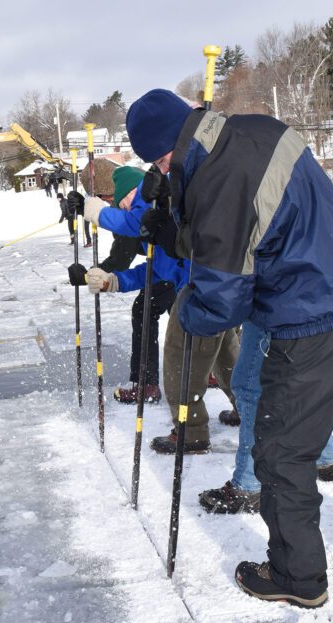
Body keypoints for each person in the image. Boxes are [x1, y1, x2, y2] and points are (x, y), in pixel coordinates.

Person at [127, 88, 333, 608]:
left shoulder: (215, 182)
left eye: (158, 163)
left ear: (163, 153)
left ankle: (297, 575)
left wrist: (186, 313)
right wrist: (180, 229)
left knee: (280, 452)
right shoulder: (255, 128)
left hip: (311, 314)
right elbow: (252, 227)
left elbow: (222, 299)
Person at [84, 167, 239, 445]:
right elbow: (157, 269)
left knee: (179, 366)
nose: (123, 208)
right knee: (227, 359)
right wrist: (113, 281)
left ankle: (190, 434)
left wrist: (101, 215)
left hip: (200, 294)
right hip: (215, 290)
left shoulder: (150, 201)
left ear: (133, 192)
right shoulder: (155, 211)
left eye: (121, 203)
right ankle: (249, 411)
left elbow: (132, 222)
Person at [199, 319, 333, 514]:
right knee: (293, 380)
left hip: (271, 305)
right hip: (310, 306)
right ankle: (327, 456)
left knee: (249, 388)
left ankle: (248, 485)